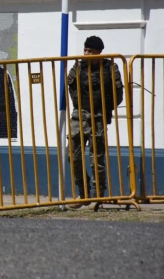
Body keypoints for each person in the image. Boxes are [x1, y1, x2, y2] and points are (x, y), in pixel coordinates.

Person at [67, 36, 123, 208]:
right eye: (85, 50)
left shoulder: (110, 68)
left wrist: (104, 108)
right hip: (80, 115)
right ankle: (83, 193)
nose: (86, 53)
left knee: (96, 159)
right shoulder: (77, 67)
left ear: (99, 52)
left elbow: (118, 94)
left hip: (98, 116)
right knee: (72, 155)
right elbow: (72, 88)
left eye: (90, 51)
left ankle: (98, 194)